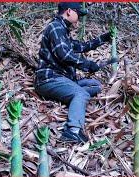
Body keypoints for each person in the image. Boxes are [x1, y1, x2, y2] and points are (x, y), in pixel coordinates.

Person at [34, 2, 115, 143]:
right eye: (78, 13)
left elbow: (79, 46)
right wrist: (88, 65)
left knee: (95, 85)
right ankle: (72, 131)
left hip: (62, 78)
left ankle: (72, 96)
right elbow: (64, 55)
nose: (79, 17)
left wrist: (102, 39)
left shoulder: (62, 29)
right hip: (49, 79)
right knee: (81, 93)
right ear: (69, 11)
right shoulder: (55, 27)